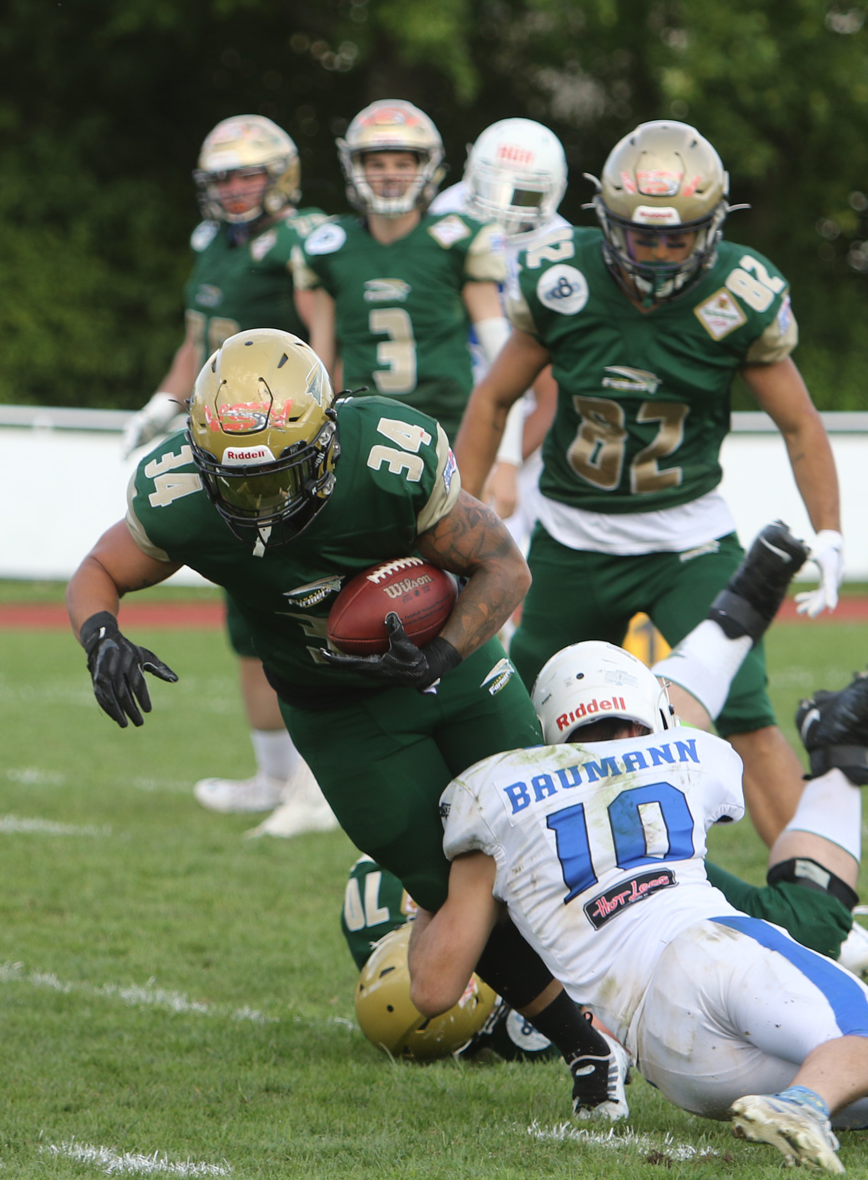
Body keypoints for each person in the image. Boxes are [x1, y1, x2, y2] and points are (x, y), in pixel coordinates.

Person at [69, 328, 632, 1119]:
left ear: (328, 440)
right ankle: (586, 1046)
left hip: (453, 669)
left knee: (554, 837)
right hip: (335, 710)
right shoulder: (178, 494)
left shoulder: (388, 459)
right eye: (239, 483)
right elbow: (100, 569)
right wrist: (100, 634)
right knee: (450, 889)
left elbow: (504, 567)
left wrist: (438, 654)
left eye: (279, 477)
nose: (260, 503)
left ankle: (646, 993)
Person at [414, 641, 868, 1171]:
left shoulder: (495, 796)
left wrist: (430, 895)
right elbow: (680, 746)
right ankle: (804, 1106)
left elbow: (434, 989)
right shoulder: (691, 752)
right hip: (705, 948)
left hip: (667, 1057)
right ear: (643, 710)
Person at [454, 120, 850, 902]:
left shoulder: (739, 295)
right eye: (643, 236)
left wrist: (831, 531)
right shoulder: (561, 278)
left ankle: (823, 899)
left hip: (687, 537)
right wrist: (458, 529)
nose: (661, 254)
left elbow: (800, 423)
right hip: (573, 538)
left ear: (713, 228)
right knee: (517, 714)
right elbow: (494, 398)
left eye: (679, 238)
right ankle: (493, 891)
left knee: (743, 708)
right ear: (607, 222)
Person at [120, 115, 332, 831]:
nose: (235, 189)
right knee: (244, 608)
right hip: (224, 441)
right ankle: (272, 775)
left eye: (248, 175)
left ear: (281, 177)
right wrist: (157, 405)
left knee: (305, 602)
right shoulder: (211, 244)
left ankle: (317, 781)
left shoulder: (300, 243)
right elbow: (198, 341)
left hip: (282, 443)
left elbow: (323, 339)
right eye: (224, 178)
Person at [295, 99, 511, 445]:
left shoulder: (456, 240)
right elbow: (320, 364)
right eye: (376, 164)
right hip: (362, 429)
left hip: (449, 428)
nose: (390, 174)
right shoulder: (331, 247)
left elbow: (500, 356)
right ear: (354, 168)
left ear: (427, 166)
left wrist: (506, 457)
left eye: (403, 164)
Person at [428, 117, 571, 550]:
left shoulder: (561, 253)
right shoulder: (444, 216)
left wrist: (502, 461)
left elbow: (551, 392)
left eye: (521, 194)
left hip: (524, 421)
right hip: (447, 400)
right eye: (494, 187)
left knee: (509, 551)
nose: (504, 208)